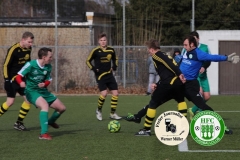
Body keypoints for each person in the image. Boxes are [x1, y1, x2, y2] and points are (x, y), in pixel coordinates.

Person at [125, 35, 239, 135]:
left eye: (185, 45)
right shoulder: (186, 52)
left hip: (190, 85)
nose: (183, 47)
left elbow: (212, 57)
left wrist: (226, 58)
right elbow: (174, 69)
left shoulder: (199, 54)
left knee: (202, 106)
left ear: (192, 44)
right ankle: (138, 116)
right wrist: (159, 83)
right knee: (157, 101)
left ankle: (222, 127)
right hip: (178, 83)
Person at [127, 39, 188, 136]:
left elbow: (169, 64)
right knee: (181, 101)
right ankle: (184, 127)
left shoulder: (156, 55)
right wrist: (158, 83)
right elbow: (166, 71)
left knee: (153, 103)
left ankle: (146, 130)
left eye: (148, 49)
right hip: (177, 83)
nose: (148, 51)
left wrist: (179, 73)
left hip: (169, 83)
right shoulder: (164, 54)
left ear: (151, 49)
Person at [16, 47, 66, 140]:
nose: (51, 58)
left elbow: (49, 79)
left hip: (43, 91)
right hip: (31, 91)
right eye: (50, 57)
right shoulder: (31, 65)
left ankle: (50, 121)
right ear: (43, 57)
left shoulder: (48, 66)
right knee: (45, 106)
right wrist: (21, 82)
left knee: (62, 108)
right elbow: (18, 76)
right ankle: (43, 134)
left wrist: (45, 84)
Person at [1, 31, 34, 131]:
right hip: (12, 79)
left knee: (28, 100)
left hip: (22, 79)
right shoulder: (13, 49)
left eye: (31, 42)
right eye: (29, 42)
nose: (31, 44)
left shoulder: (29, 49)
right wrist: (6, 79)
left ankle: (18, 123)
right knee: (10, 102)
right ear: (23, 40)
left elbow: (28, 64)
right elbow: (6, 65)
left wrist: (29, 76)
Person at [86, 32, 121, 121]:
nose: (103, 42)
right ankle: (99, 110)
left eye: (104, 40)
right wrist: (94, 69)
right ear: (98, 41)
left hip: (109, 74)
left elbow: (115, 59)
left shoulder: (111, 50)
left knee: (115, 93)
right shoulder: (95, 51)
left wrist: (114, 67)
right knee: (104, 93)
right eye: (101, 40)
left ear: (107, 40)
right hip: (100, 75)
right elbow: (88, 61)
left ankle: (112, 113)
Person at [186, 31, 211, 120]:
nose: (193, 41)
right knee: (199, 94)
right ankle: (200, 113)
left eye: (195, 39)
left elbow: (208, 60)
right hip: (195, 76)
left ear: (198, 39)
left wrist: (204, 67)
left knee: (207, 96)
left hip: (203, 76)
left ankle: (193, 110)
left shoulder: (205, 47)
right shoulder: (187, 48)